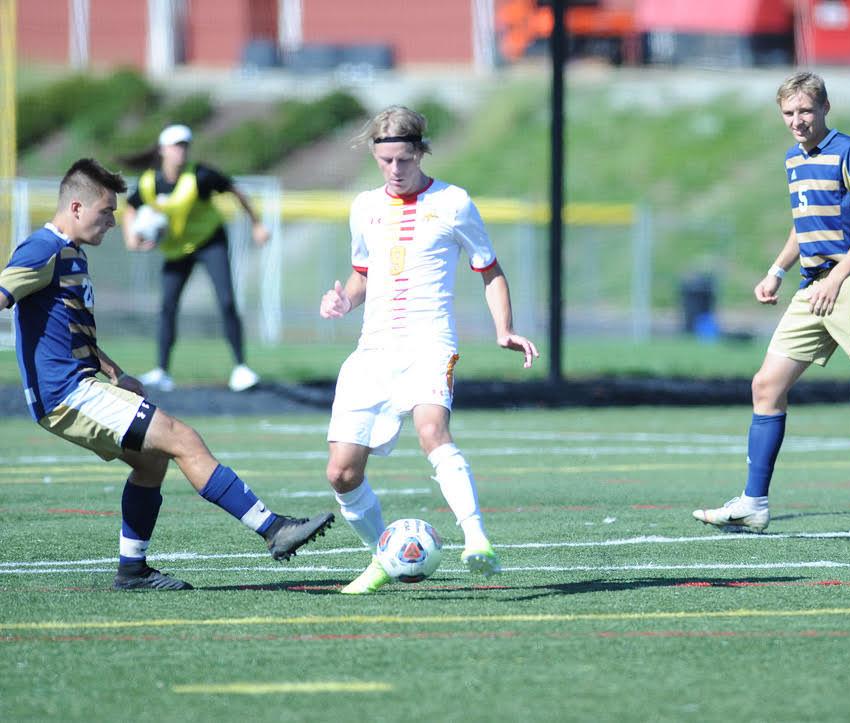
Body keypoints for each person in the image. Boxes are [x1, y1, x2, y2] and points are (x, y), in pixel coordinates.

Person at [0, 158, 334, 590]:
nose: (113, 222)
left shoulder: (71, 253)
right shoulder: (41, 248)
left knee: (152, 463)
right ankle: (273, 529)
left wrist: (116, 373)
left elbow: (69, 330)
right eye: (106, 212)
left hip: (81, 387)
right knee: (183, 437)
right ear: (77, 207)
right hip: (66, 393)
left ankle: (133, 569)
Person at [692, 71, 850, 535]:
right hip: (813, 288)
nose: (798, 120)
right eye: (789, 113)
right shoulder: (793, 159)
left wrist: (840, 277)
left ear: (826, 108)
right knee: (765, 385)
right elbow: (802, 223)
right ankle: (754, 503)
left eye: (806, 110)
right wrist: (776, 270)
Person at [318, 106, 539, 594]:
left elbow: (490, 270)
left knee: (431, 429)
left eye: (403, 159)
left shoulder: (454, 202)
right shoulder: (364, 207)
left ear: (420, 151)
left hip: (429, 342)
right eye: (385, 161)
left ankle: (477, 539)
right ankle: (384, 558)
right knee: (341, 472)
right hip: (372, 350)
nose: (394, 171)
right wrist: (342, 300)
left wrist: (504, 329)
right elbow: (362, 276)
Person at [121, 124, 267, 393]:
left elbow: (235, 190)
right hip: (177, 250)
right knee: (167, 306)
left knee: (226, 300)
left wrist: (257, 224)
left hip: (210, 241)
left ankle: (241, 369)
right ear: (163, 150)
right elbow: (131, 207)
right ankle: (162, 371)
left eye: (185, 145)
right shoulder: (149, 182)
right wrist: (130, 238)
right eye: (176, 146)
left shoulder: (200, 175)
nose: (181, 151)